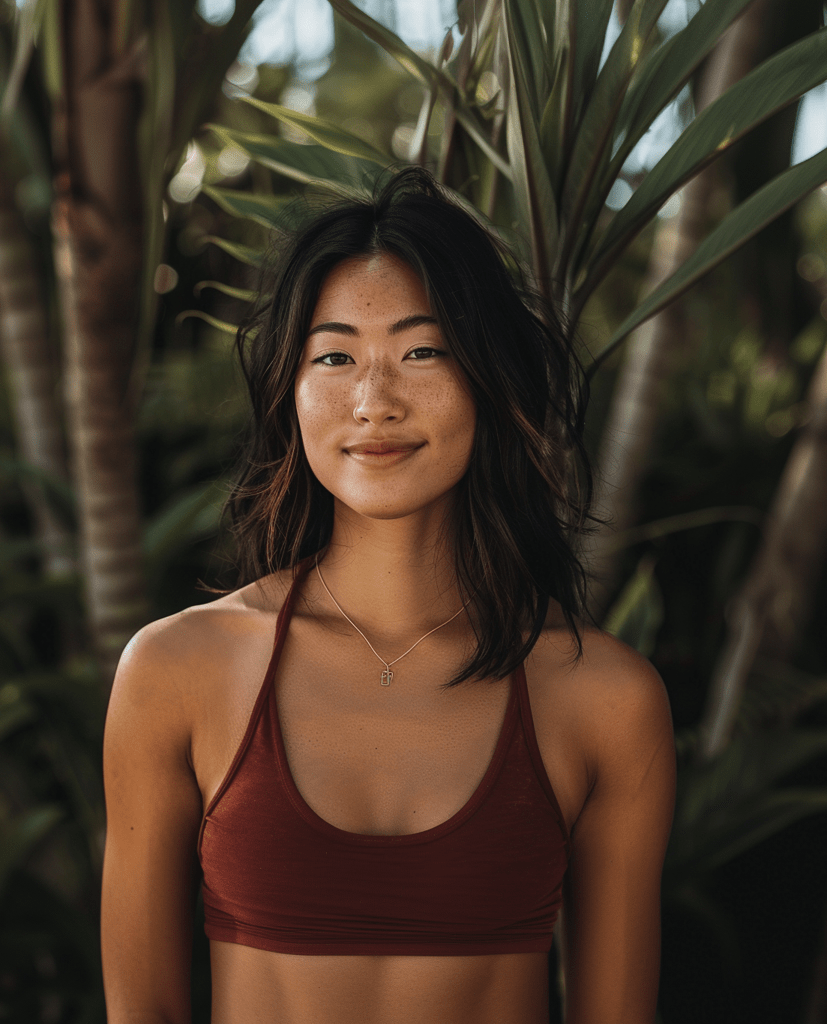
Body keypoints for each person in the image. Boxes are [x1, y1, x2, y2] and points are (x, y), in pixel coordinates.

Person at [100, 166, 676, 1024]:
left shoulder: (604, 701)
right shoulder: (177, 670)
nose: (374, 401)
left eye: (422, 351)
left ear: (487, 378)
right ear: (289, 392)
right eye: (334, 356)